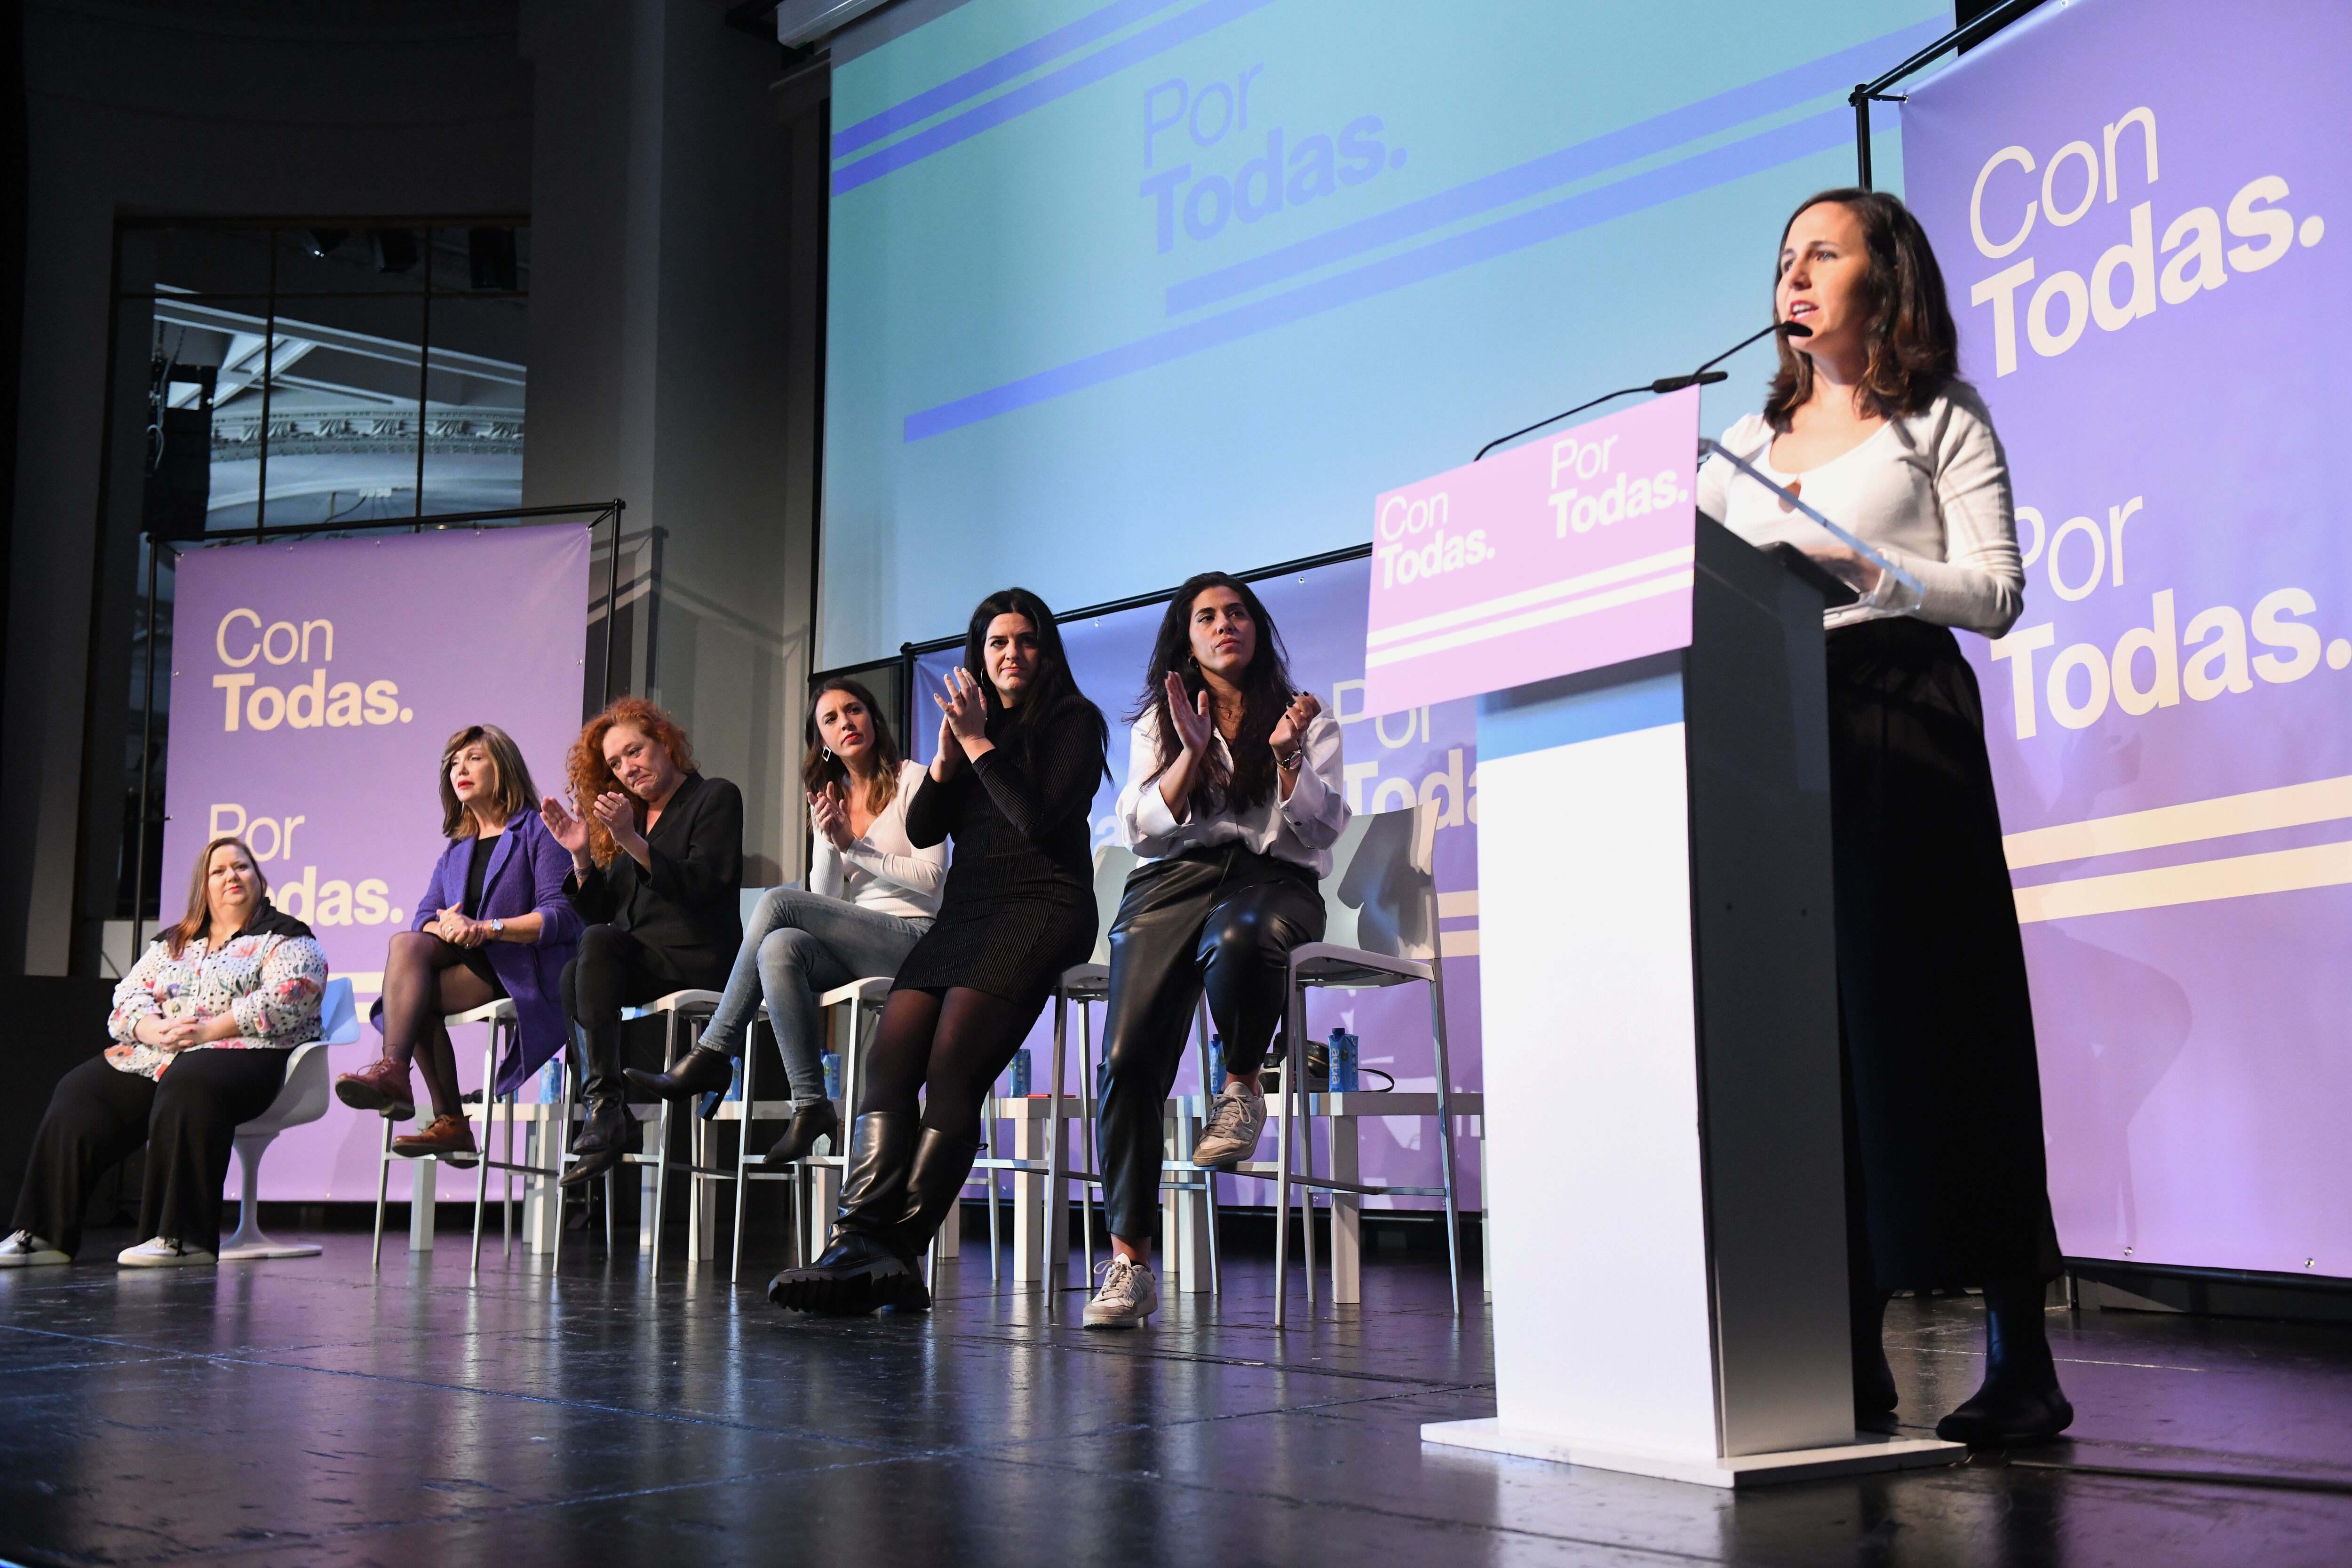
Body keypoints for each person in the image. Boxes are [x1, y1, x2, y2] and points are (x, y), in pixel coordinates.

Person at [1696, 187, 2069, 1447]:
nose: (1794, 274)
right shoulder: (1738, 448)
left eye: (1824, 253)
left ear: (1883, 278)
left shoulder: (1939, 420)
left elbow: (2001, 592)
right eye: (1784, 253)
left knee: (1943, 1034)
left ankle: (2022, 1357)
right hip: (1763, 739)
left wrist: (1869, 568)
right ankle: (1845, 1363)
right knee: (1807, 1050)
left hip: (1900, 715)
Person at [768, 588, 1106, 1315]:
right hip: (966, 916)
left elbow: (1040, 816)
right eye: (996, 643)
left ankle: (898, 1247)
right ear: (979, 657)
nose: (1011, 654)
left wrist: (980, 743)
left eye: (1025, 641)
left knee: (954, 1066)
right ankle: (856, 1239)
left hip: (1043, 905)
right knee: (888, 1061)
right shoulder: (968, 732)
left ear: (1045, 652)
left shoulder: (1074, 721)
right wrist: (951, 756)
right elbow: (924, 829)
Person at [1081, 573, 1346, 1329]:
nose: (1224, 624)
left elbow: (1321, 833)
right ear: (1186, 638)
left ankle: (1241, 1085)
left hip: (1274, 881)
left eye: (1236, 613)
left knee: (1243, 936)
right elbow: (1139, 826)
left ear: (1255, 629)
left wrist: (1290, 760)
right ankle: (1129, 1263)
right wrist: (1190, 756)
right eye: (1207, 617)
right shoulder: (1158, 725)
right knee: (1127, 1060)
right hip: (1172, 882)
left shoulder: (1305, 717)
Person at [627, 679, 945, 1166]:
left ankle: (713, 1052)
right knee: (779, 948)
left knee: (779, 903)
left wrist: (854, 846)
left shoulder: (914, 779)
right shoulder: (829, 794)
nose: (846, 723)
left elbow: (930, 878)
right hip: (855, 943)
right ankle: (810, 1104)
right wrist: (830, 837)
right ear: (822, 743)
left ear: (873, 720)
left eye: (854, 710)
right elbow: (826, 897)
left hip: (915, 941)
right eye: (831, 719)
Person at [0, 837, 326, 1269]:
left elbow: (292, 995)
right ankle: (43, 1233)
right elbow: (127, 998)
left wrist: (208, 1029)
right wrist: (152, 1028)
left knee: (191, 1081)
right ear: (203, 887)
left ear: (259, 878)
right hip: (161, 1053)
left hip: (248, 1052)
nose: (231, 875)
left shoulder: (286, 937)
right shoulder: (173, 943)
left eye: (242, 867)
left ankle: (179, 1237)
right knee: (80, 1090)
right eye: (218, 870)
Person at [334, 724, 581, 1161]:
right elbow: (423, 919)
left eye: (473, 758)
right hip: (475, 960)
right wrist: (448, 927)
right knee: (406, 945)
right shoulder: (457, 850)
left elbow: (562, 916)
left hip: (524, 968)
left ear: (502, 766)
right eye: (453, 763)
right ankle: (402, 1077)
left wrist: (487, 929)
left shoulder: (538, 831)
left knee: (413, 996)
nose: (459, 769)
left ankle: (439, 1110)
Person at [539, 698, 743, 1188]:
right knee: (575, 968)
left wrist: (630, 840)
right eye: (615, 763)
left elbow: (701, 886)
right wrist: (583, 857)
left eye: (635, 751)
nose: (628, 768)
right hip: (647, 962)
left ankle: (606, 1114)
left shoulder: (713, 797)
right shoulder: (633, 823)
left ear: (664, 743)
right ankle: (607, 1108)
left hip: (697, 959)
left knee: (597, 946)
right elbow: (604, 913)